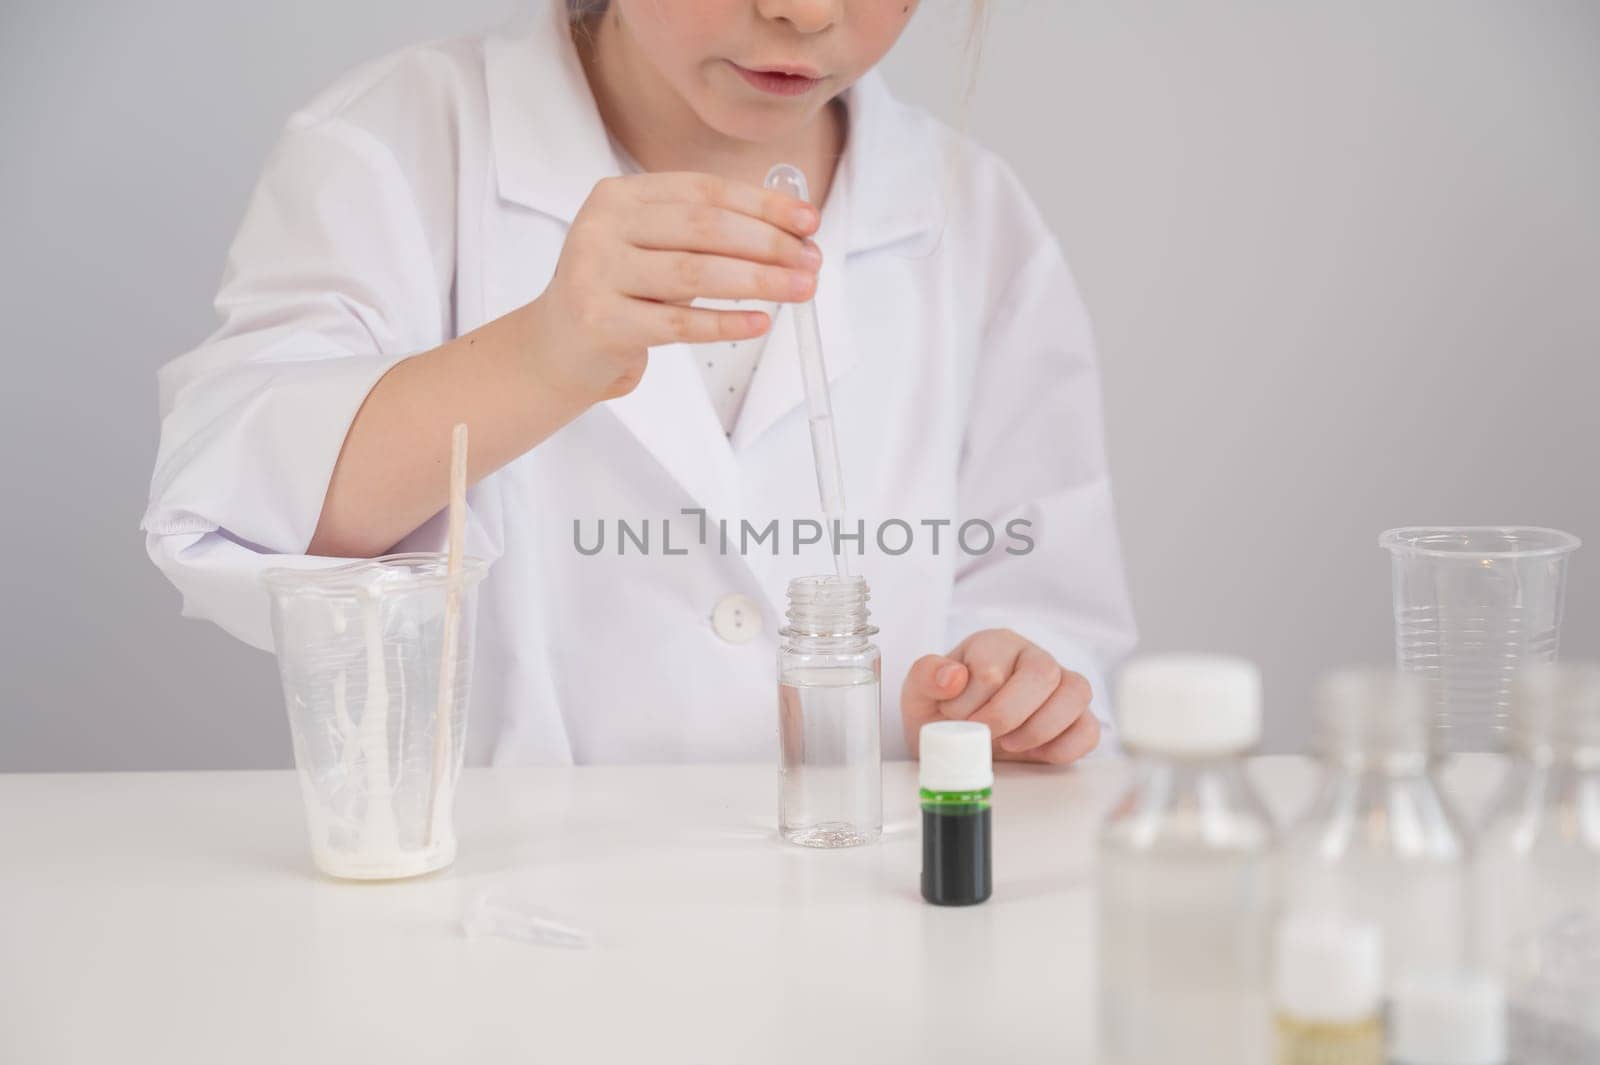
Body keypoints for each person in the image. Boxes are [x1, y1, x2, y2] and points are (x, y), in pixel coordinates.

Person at [142, 0, 1137, 766]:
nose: (805, 10)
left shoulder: (973, 218)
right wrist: (539, 356)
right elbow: (242, 507)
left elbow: (1042, 586)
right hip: (505, 927)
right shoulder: (396, 150)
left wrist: (1006, 692)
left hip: (854, 916)